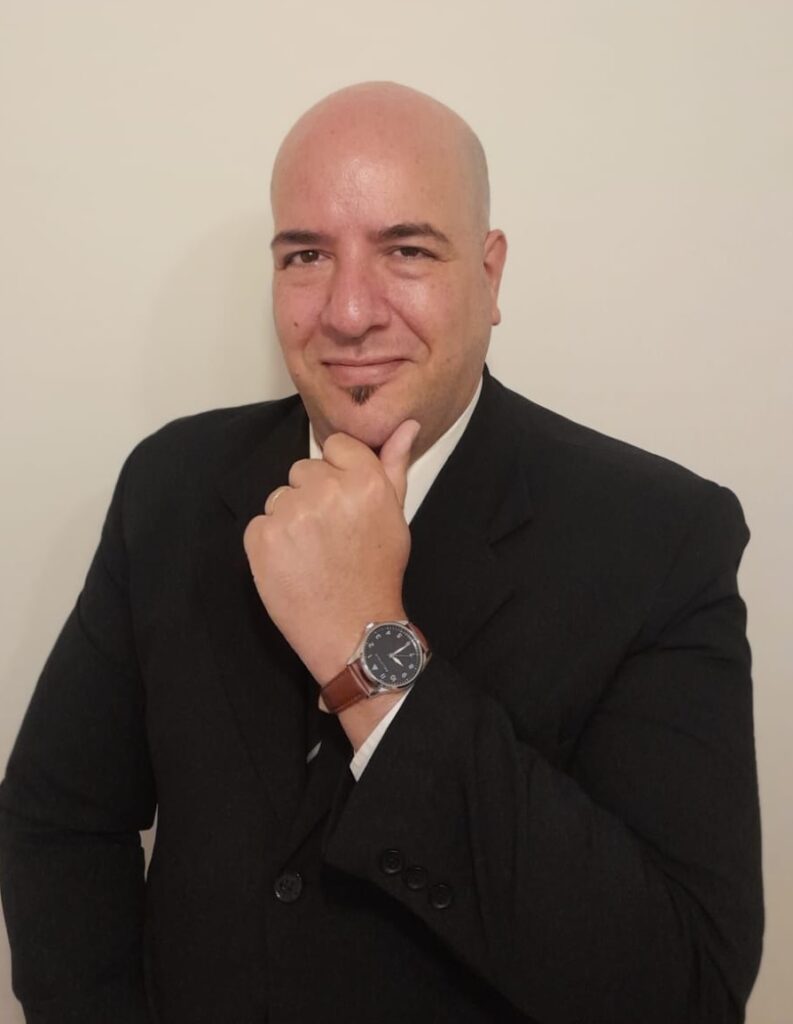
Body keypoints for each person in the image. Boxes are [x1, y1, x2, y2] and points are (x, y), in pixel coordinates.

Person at [0, 82, 762, 1024]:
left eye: (406, 250)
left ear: (490, 275)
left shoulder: (660, 537)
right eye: (306, 255)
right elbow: (60, 822)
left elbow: (685, 987)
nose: (349, 311)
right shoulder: (172, 484)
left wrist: (369, 652)